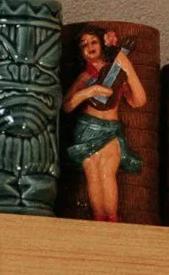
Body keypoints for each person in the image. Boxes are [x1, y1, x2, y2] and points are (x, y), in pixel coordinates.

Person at [62, 28, 147, 219]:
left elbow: (138, 101)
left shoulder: (115, 72)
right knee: (93, 173)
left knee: (108, 172)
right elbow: (67, 106)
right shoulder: (86, 76)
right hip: (87, 128)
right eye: (84, 44)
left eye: (93, 42)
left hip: (110, 129)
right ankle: (98, 217)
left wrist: (127, 67)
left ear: (102, 44)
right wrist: (88, 92)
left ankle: (112, 217)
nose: (89, 47)